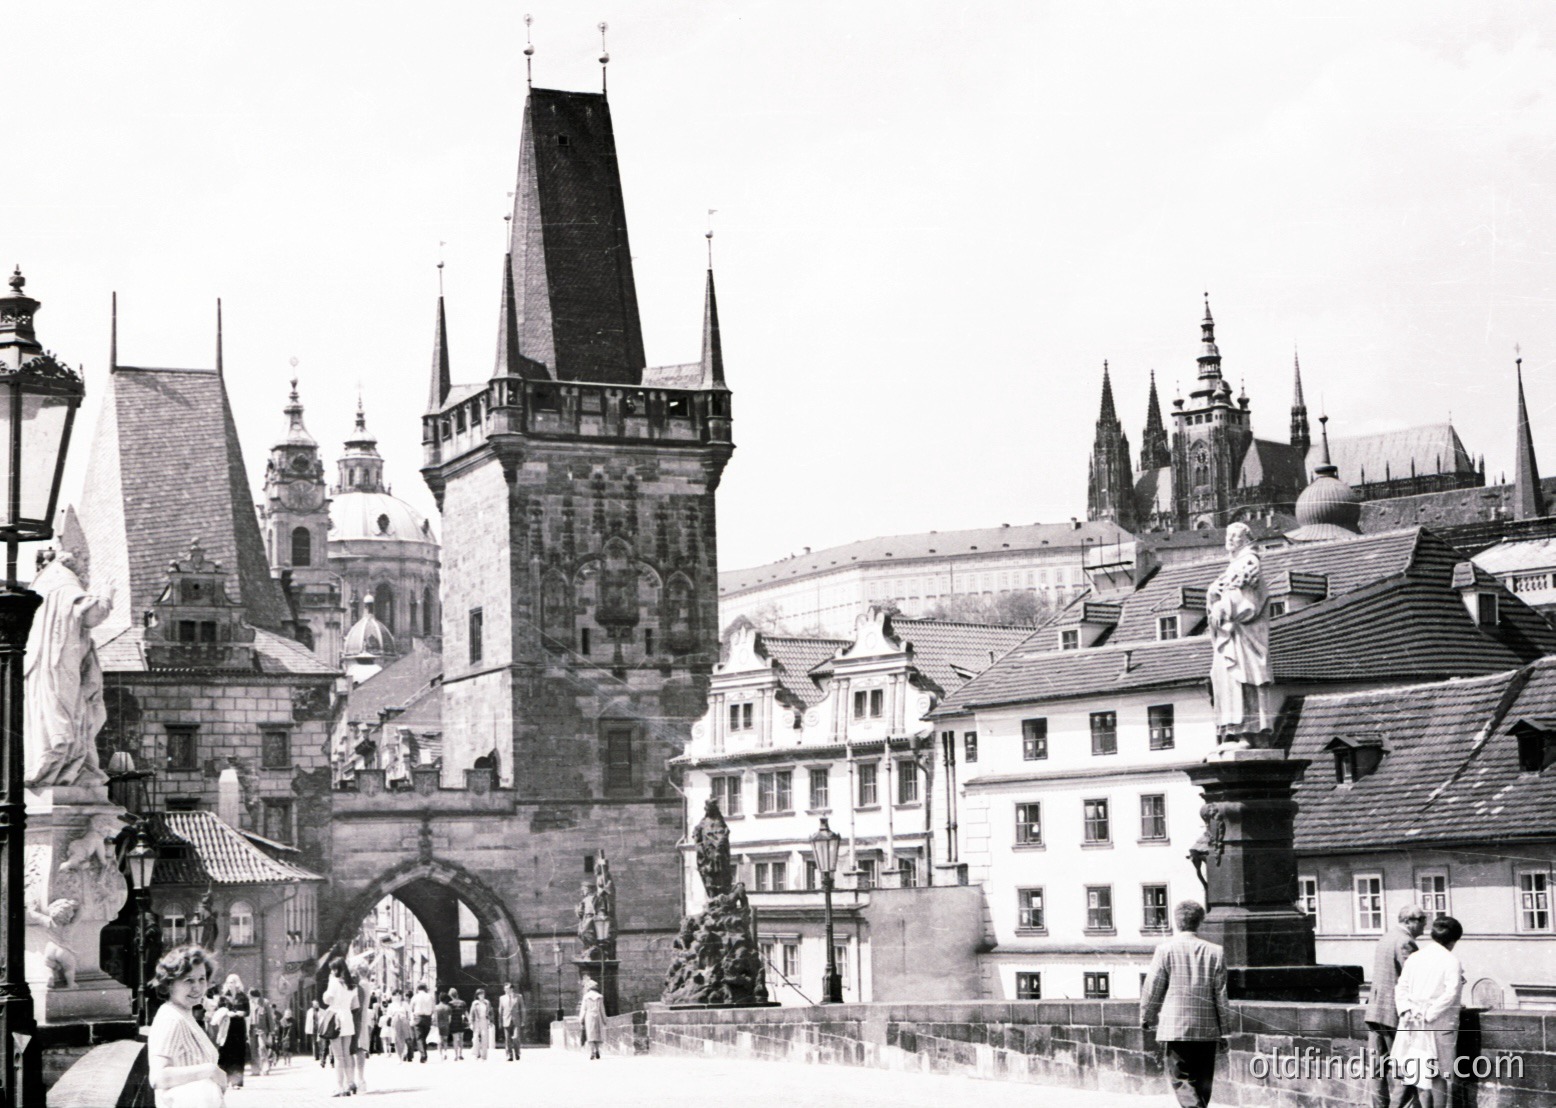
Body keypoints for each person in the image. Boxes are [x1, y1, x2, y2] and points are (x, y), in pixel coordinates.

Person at [22, 550, 113, 788]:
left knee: (50, 716)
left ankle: (50, 768)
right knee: (67, 716)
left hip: (44, 663)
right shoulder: (64, 579)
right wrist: (106, 595)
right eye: (85, 563)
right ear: (74, 563)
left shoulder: (43, 582)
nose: (86, 570)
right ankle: (62, 768)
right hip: (60, 663)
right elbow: (91, 615)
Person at [1139, 900, 1233, 1108]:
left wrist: (1147, 1016)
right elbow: (1221, 995)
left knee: (1181, 1078)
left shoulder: (1165, 950)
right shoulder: (1215, 952)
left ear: (1176, 921)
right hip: (1207, 1028)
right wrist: (1225, 1031)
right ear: (1200, 922)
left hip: (1176, 1027)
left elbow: (1152, 987)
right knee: (1203, 1079)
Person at [1205, 521, 1274, 744]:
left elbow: (1246, 602)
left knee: (1242, 679)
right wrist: (1211, 594)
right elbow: (1223, 593)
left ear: (1244, 540)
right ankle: (1233, 731)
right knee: (1226, 678)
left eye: (1234, 536)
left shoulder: (1248, 562)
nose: (1229, 539)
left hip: (1243, 636)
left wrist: (1221, 607)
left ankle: (1250, 732)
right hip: (1230, 634)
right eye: (1227, 535)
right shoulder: (1235, 564)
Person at [1392, 916, 1466, 1108]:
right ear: (1453, 941)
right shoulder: (1451, 960)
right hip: (1437, 1022)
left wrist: (1406, 1010)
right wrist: (1430, 1013)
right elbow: (1451, 993)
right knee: (1439, 1073)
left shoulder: (1416, 957)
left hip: (1413, 1021)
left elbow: (1401, 987)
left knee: (1419, 1072)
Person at [147, 945, 226, 1108]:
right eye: (188, 980)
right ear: (169, 984)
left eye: (202, 979)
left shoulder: (184, 1014)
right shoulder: (171, 1018)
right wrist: (210, 1070)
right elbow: (158, 1077)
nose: (197, 987)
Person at [1367, 905, 1427, 1108]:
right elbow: (1413, 979)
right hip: (1394, 1013)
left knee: (1377, 1068)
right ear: (1410, 921)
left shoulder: (1387, 936)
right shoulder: (1406, 942)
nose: (1425, 925)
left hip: (1376, 1010)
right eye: (1422, 920)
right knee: (1404, 1066)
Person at [321, 958, 358, 1097]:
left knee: (338, 1056)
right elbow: (354, 1003)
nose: (331, 971)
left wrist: (325, 994)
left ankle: (339, 1087)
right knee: (347, 1054)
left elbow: (328, 999)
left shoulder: (334, 981)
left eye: (332, 968)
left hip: (336, 1017)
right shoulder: (352, 984)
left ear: (336, 969)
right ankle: (350, 1083)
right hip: (347, 1018)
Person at [215, 975, 249, 1089]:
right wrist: (226, 1013)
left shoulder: (243, 996)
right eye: (229, 982)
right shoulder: (223, 997)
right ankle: (224, 1081)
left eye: (233, 982)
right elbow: (218, 1010)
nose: (230, 984)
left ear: (237, 983)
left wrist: (242, 1013)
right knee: (225, 1052)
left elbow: (247, 1011)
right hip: (227, 1026)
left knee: (238, 1053)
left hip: (239, 1026)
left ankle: (236, 1083)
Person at [580, 977, 606, 1061]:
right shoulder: (599, 997)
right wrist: (604, 1020)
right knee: (598, 1034)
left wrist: (581, 1019)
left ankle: (592, 1052)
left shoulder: (586, 997)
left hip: (589, 1016)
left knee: (590, 1034)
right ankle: (597, 1050)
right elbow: (602, 1009)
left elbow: (583, 1009)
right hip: (597, 1015)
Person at [499, 982, 526, 1060]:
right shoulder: (502, 998)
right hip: (506, 1020)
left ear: (511, 989)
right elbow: (500, 1010)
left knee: (515, 1038)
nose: (505, 990)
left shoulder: (518, 997)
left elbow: (523, 1009)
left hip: (516, 1020)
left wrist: (523, 1020)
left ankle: (517, 1053)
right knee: (507, 1039)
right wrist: (500, 1021)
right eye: (505, 988)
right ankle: (509, 1055)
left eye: (507, 988)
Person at [248, 989, 272, 1077]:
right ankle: (255, 1070)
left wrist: (271, 1032)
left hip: (262, 1029)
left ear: (253, 995)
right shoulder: (249, 1004)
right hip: (251, 1029)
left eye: (249, 995)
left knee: (262, 1047)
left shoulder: (264, 1002)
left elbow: (270, 1018)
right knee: (253, 1050)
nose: (248, 996)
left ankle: (265, 1068)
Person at [410, 982, 434, 1062]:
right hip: (428, 1018)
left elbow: (411, 1008)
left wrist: (412, 1018)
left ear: (418, 989)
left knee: (419, 1037)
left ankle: (423, 1054)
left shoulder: (415, 997)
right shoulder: (430, 997)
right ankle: (424, 1054)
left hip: (418, 1018)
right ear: (425, 988)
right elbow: (433, 1009)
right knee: (424, 1037)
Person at [469, 988, 492, 1060]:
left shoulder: (487, 1002)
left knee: (484, 1038)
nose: (482, 995)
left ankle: (484, 1056)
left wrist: (490, 1021)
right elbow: (471, 1013)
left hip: (484, 1021)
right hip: (476, 1021)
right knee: (475, 1038)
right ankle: (476, 1053)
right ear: (477, 995)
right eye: (480, 994)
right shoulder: (475, 1003)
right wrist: (471, 1023)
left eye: (483, 994)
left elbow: (490, 1013)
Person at [445, 987, 467, 1060]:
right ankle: (461, 1054)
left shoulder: (449, 1004)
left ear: (450, 995)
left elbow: (449, 1015)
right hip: (461, 1022)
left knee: (455, 1039)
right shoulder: (463, 1002)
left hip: (453, 1023)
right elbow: (465, 1013)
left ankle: (456, 1055)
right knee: (461, 1038)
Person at [433, 992, 451, 1061]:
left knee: (439, 1041)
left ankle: (440, 1055)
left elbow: (434, 1018)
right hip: (446, 1025)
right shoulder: (448, 1007)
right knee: (445, 1040)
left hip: (438, 1026)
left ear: (439, 998)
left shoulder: (436, 1007)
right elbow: (449, 1019)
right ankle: (445, 1053)